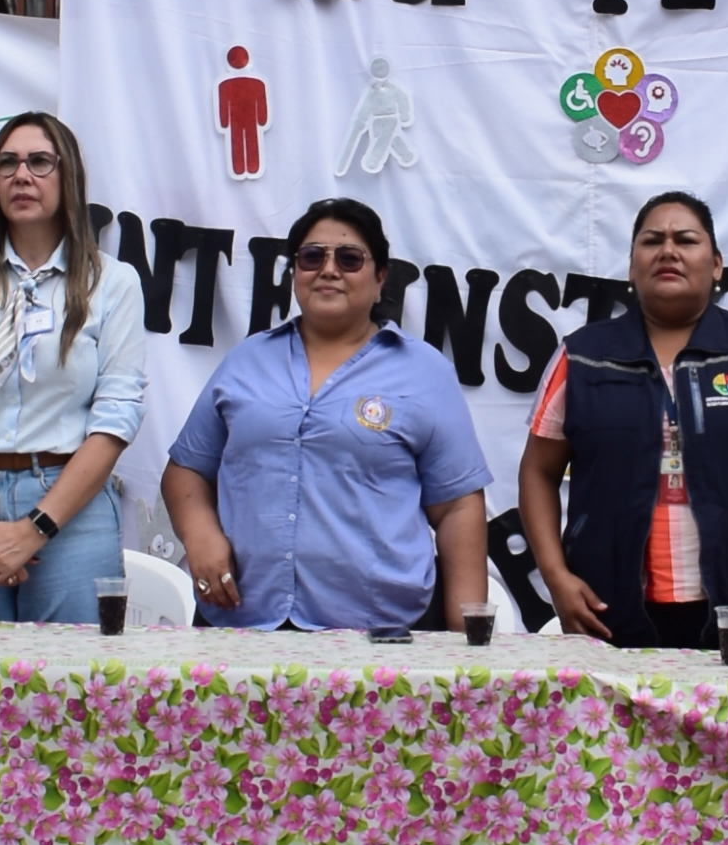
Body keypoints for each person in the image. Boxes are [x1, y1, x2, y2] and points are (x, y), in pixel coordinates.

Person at [517, 192, 728, 651]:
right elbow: (537, 471)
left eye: (686, 240)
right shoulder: (581, 355)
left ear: (717, 264)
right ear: (631, 266)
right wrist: (555, 576)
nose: (668, 251)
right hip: (607, 614)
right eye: (652, 241)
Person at [164, 198, 491, 631]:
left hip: (381, 635)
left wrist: (463, 648)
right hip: (242, 626)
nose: (329, 270)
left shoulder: (424, 373)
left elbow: (457, 509)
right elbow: (185, 470)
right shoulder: (246, 361)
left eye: (350, 258)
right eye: (312, 257)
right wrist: (200, 536)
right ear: (295, 272)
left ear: (379, 278)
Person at [0, 112, 146, 622]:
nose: (22, 175)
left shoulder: (114, 282)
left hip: (69, 508)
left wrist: (33, 528)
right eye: (6, 163)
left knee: (74, 686)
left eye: (40, 162)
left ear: (69, 177)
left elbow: (115, 419)